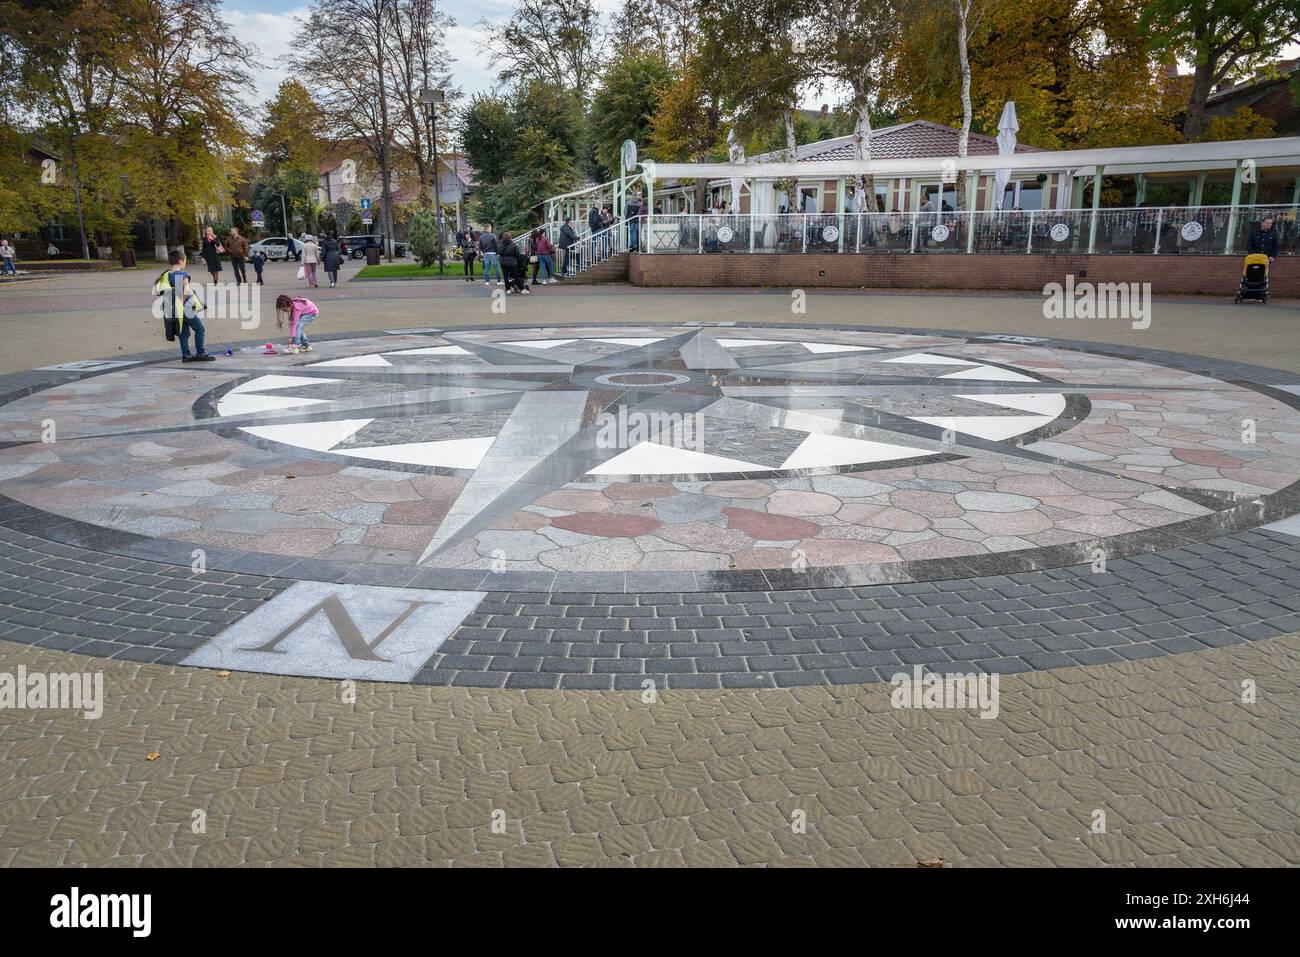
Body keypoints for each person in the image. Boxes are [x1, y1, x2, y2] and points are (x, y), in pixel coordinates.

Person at [164, 249, 214, 362]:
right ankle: (201, 353)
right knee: (200, 329)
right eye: (185, 261)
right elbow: (185, 290)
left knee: (184, 333)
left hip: (175, 309)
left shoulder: (167, 275)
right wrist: (182, 302)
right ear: (180, 261)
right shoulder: (182, 274)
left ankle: (186, 355)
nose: (185, 264)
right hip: (186, 307)